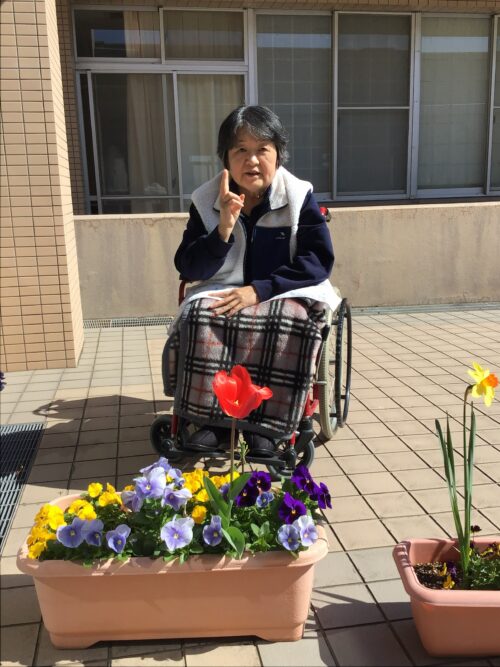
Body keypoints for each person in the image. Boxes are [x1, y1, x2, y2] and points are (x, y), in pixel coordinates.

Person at [170, 105, 338, 457]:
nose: (252, 160)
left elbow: (317, 260)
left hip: (285, 289)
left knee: (290, 319)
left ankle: (269, 425)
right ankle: (212, 422)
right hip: (224, 287)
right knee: (200, 316)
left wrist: (260, 290)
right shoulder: (206, 200)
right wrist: (222, 230)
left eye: (262, 149)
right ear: (226, 158)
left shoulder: (298, 196)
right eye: (241, 150)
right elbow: (188, 266)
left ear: (278, 155)